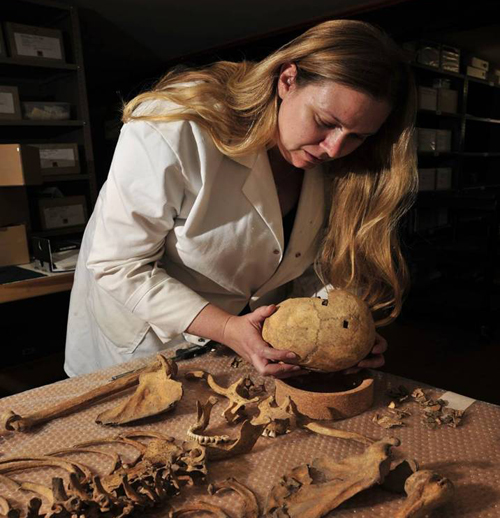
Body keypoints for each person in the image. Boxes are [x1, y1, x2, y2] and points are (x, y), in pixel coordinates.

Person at [65, 19, 417, 378]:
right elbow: (118, 265)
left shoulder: (342, 166)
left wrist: (342, 328)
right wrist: (227, 328)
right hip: (143, 336)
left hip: (239, 341)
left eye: (357, 136)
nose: (334, 148)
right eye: (325, 121)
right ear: (288, 80)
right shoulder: (176, 126)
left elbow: (310, 266)